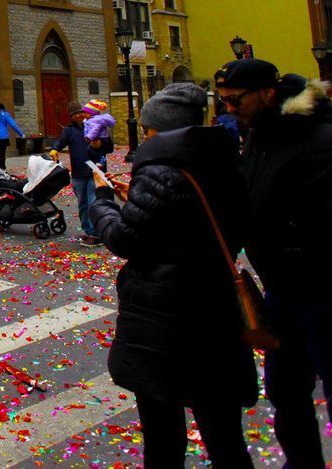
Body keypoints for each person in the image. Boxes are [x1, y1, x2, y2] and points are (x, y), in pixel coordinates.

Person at [89, 83, 256, 466]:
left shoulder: (160, 173)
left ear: (161, 130)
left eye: (147, 129)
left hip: (164, 319)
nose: (144, 135)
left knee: (163, 438)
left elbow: (124, 239)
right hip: (216, 312)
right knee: (225, 437)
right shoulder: (228, 164)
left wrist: (101, 203)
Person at [216, 58, 332, 465]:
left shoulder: (329, 139)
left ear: (268, 93)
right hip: (283, 295)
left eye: (235, 100)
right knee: (287, 394)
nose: (229, 108)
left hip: (330, 296)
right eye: (223, 101)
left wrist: (293, 233)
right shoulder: (259, 135)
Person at [51, 102, 106, 246]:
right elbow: (60, 141)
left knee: (93, 202)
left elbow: (107, 146)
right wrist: (55, 149)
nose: (78, 115)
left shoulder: (95, 126)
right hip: (78, 171)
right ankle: (88, 231)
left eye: (80, 112)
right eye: (75, 114)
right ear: (71, 117)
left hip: (94, 169)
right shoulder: (69, 131)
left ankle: (96, 233)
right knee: (82, 203)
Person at [0, 101, 24, 169]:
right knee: (2, 153)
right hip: (3, 137)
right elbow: (13, 125)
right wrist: (21, 134)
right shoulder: (5, 114)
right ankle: (2, 166)